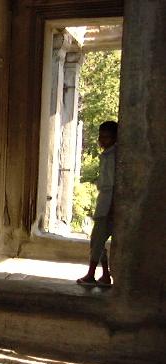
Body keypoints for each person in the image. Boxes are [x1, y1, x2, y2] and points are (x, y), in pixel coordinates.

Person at [77, 121, 118, 287]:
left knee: (97, 240)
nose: (102, 140)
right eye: (101, 136)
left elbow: (112, 184)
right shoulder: (108, 154)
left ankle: (91, 274)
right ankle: (105, 275)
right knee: (98, 240)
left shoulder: (112, 156)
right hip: (105, 201)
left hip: (108, 204)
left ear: (114, 138)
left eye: (106, 137)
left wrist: (112, 205)